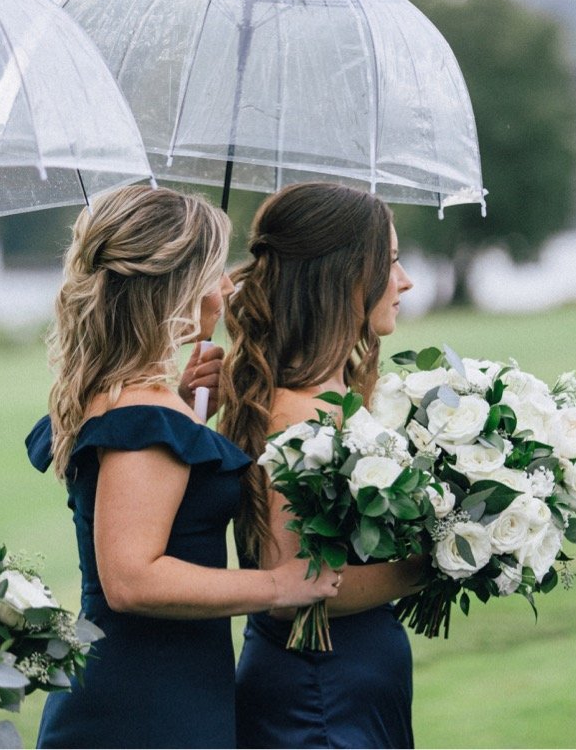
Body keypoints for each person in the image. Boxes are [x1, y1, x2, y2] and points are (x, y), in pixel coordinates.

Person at [24, 186, 341, 749]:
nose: (226, 287)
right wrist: (278, 584)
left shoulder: (123, 397)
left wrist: (188, 408)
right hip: (145, 702)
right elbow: (131, 578)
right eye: (215, 270)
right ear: (179, 287)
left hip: (158, 685)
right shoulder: (143, 415)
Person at [219, 181, 422, 749]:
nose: (404, 281)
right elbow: (298, 587)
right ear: (346, 275)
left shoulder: (338, 398)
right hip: (317, 697)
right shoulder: (295, 416)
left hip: (356, 682)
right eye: (392, 262)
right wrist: (439, 563)